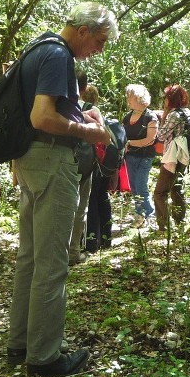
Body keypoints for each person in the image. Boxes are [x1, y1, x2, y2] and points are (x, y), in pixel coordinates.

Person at [7, 2, 117, 377]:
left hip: (30, 159)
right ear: (84, 30)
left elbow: (37, 112)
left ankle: (20, 342)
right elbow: (42, 117)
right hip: (52, 161)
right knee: (52, 262)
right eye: (100, 41)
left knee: (31, 257)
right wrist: (92, 131)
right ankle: (45, 357)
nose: (99, 50)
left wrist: (75, 115)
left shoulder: (38, 46)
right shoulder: (59, 56)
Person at [69, 71, 101, 266]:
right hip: (85, 165)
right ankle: (73, 251)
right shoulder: (91, 109)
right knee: (80, 208)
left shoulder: (55, 107)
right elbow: (101, 135)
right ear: (83, 88)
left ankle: (58, 252)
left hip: (61, 163)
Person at [153, 84, 190, 235]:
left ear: (170, 99)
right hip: (184, 155)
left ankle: (164, 227)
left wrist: (162, 118)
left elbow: (161, 136)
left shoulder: (173, 115)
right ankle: (180, 221)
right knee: (177, 188)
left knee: (159, 192)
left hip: (172, 157)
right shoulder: (186, 112)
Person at [122, 84, 159, 228]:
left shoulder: (151, 117)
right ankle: (140, 216)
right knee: (134, 188)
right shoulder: (127, 117)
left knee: (141, 186)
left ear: (138, 98)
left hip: (145, 157)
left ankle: (151, 215)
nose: (128, 100)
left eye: (130, 97)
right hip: (130, 157)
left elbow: (150, 140)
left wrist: (130, 143)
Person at [82, 84, 112, 254]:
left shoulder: (85, 111)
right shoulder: (98, 112)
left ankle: (91, 241)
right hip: (102, 161)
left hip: (88, 160)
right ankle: (105, 238)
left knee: (90, 199)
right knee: (101, 196)